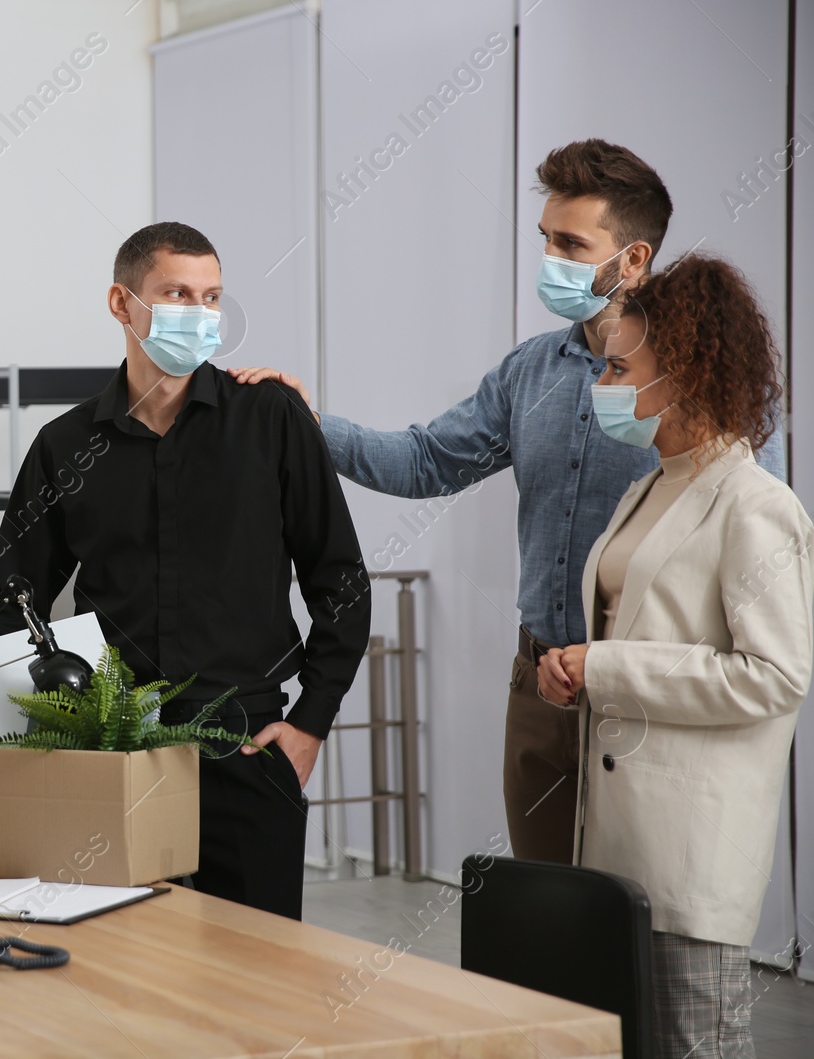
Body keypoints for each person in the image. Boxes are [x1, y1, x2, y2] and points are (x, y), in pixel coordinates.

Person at [230, 139, 785, 863]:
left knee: (639, 927)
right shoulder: (530, 372)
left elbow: (749, 514)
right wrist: (307, 423)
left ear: (635, 259)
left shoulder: (698, 377)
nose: (550, 256)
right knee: (546, 927)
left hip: (645, 693)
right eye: (546, 237)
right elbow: (426, 460)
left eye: (571, 242)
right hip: (538, 687)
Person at [0, 222, 371, 919]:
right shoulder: (64, 444)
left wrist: (311, 721)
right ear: (121, 304)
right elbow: (7, 602)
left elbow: (341, 579)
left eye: (211, 297)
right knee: (126, 978)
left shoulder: (271, 418)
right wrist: (48, 730)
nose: (198, 312)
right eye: (176, 293)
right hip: (115, 751)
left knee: (258, 976)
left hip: (246, 744)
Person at [535, 255, 810, 1059]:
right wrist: (574, 673)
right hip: (618, 851)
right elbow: (635, 630)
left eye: (620, 367)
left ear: (683, 371)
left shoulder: (757, 506)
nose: (605, 381)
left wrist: (607, 669)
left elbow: (776, 675)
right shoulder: (652, 485)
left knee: (698, 1046)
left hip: (691, 858)